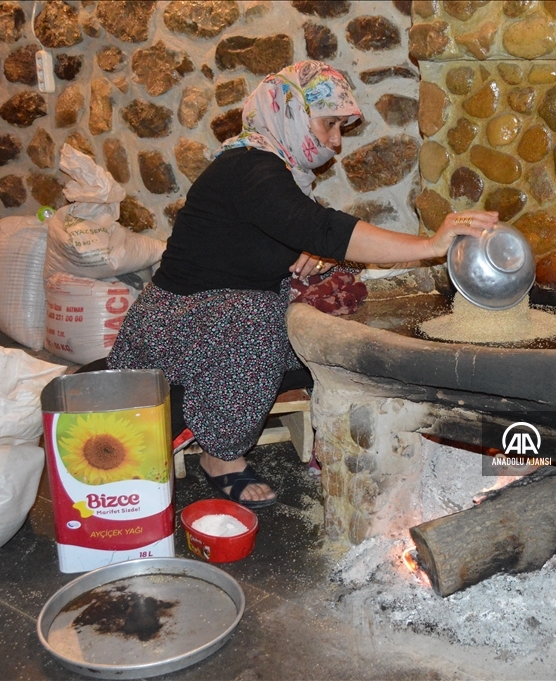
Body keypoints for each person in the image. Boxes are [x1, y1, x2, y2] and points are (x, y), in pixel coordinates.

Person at [107, 61, 497, 508]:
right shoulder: (249, 169)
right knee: (257, 321)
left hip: (213, 312)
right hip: (178, 323)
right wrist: (431, 244)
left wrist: (306, 252)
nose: (335, 141)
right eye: (330, 123)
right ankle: (220, 455)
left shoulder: (274, 171)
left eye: (340, 128)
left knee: (325, 298)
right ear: (287, 111)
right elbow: (322, 228)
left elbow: (285, 233)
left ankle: (319, 422)